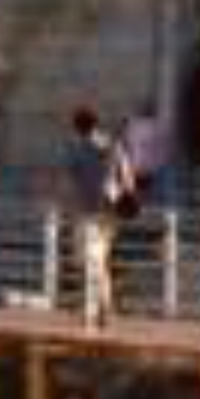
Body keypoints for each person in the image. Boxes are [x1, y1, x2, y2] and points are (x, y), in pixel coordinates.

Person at [62, 105, 124, 324]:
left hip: (87, 212)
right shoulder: (113, 145)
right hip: (110, 212)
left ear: (77, 127)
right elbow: (127, 174)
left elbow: (70, 183)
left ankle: (90, 312)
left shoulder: (77, 149)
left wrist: (64, 207)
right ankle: (106, 305)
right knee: (99, 260)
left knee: (89, 261)